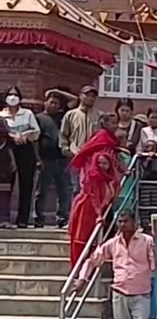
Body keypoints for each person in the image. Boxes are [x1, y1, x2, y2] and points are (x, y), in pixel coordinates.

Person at [73, 210, 155, 319]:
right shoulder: (112, 243)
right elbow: (92, 260)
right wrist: (82, 279)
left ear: (134, 222)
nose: (122, 225)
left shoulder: (147, 241)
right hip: (119, 291)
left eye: (125, 221)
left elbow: (155, 265)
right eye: (120, 221)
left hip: (142, 292)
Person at [65, 115, 123, 266]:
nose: (115, 125)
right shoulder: (102, 139)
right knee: (81, 238)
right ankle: (78, 268)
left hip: (100, 206)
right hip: (87, 206)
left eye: (116, 122)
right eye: (112, 122)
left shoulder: (109, 177)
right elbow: (93, 195)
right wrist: (98, 214)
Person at [2, 86, 39, 227]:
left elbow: (36, 131)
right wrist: (11, 136)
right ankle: (5, 218)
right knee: (6, 185)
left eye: (15, 94)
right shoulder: (1, 115)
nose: (12, 97)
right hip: (7, 150)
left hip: (25, 149)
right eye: (10, 94)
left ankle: (22, 219)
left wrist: (25, 135)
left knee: (26, 184)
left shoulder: (27, 113)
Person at [35, 90, 71, 228]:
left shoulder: (62, 117)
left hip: (62, 159)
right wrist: (37, 158)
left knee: (64, 191)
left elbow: (75, 100)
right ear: (45, 102)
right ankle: (39, 218)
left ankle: (62, 218)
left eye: (56, 103)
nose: (54, 105)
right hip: (46, 159)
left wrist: (57, 92)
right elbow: (36, 140)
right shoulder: (39, 118)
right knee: (41, 191)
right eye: (51, 102)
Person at [60, 85, 103, 192]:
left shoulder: (99, 116)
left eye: (93, 96)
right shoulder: (70, 115)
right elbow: (63, 134)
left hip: (93, 158)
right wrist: (66, 149)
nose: (90, 98)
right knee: (75, 188)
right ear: (80, 96)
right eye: (87, 95)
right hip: (75, 156)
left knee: (91, 188)